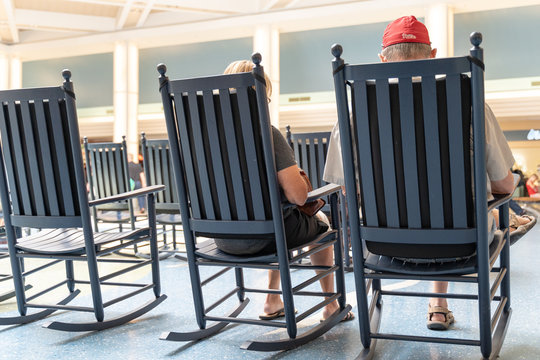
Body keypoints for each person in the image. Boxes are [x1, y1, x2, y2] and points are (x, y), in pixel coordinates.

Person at [323, 15, 528, 330]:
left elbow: (349, 190)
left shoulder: (352, 115)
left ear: (382, 59)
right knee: (488, 215)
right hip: (461, 245)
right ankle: (439, 302)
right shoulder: (471, 104)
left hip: (383, 245)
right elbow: (504, 185)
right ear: (433, 55)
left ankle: (427, 307)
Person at [215, 60, 354, 323]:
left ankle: (272, 299)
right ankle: (331, 305)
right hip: (266, 237)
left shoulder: (204, 143)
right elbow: (298, 197)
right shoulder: (267, 134)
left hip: (222, 239)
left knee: (280, 221)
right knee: (319, 223)